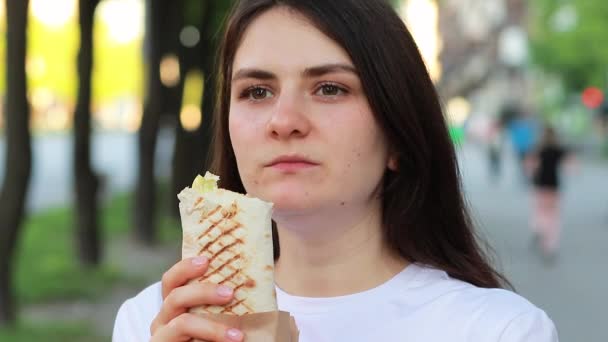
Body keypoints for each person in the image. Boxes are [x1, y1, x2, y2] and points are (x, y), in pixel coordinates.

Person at [113, 1, 558, 341]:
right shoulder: (154, 321)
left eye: (330, 88)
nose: (283, 120)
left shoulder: (497, 331)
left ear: (398, 135)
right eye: (256, 91)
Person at [527, 125, 574, 260]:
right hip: (554, 186)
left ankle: (540, 230)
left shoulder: (539, 149)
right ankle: (550, 246)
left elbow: (531, 165)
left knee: (540, 212)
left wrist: (532, 170)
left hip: (540, 185)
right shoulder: (559, 149)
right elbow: (570, 164)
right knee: (554, 217)